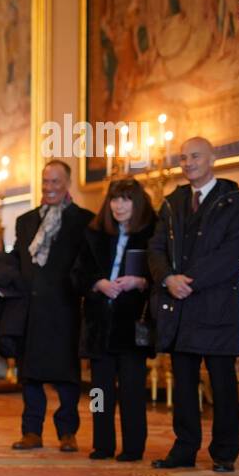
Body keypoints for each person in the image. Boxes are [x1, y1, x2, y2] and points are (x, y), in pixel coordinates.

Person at [148, 137, 239, 472]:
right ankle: (185, 449)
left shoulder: (236, 202)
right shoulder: (171, 203)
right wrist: (167, 279)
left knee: (222, 383)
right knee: (183, 384)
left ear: (212, 159)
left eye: (195, 156)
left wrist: (187, 282)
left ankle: (224, 453)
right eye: (183, 157)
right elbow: (155, 249)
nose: (188, 162)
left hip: (216, 306)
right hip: (179, 308)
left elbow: (232, 254)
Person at [11, 159, 95, 452]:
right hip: (31, 310)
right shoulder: (25, 222)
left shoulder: (85, 221)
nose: (49, 188)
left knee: (67, 376)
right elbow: (16, 261)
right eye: (45, 182)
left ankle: (67, 433)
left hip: (66, 310)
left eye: (55, 182)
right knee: (30, 374)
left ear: (67, 184)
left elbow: (88, 266)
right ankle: (31, 432)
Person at [73, 178, 155, 461]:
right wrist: (98, 284)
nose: (119, 206)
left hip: (132, 324)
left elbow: (162, 276)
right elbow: (78, 274)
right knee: (99, 391)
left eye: (126, 199)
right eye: (114, 199)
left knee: (132, 390)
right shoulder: (95, 233)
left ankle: (133, 447)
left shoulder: (152, 232)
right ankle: (102, 444)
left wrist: (140, 282)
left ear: (138, 202)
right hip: (100, 323)